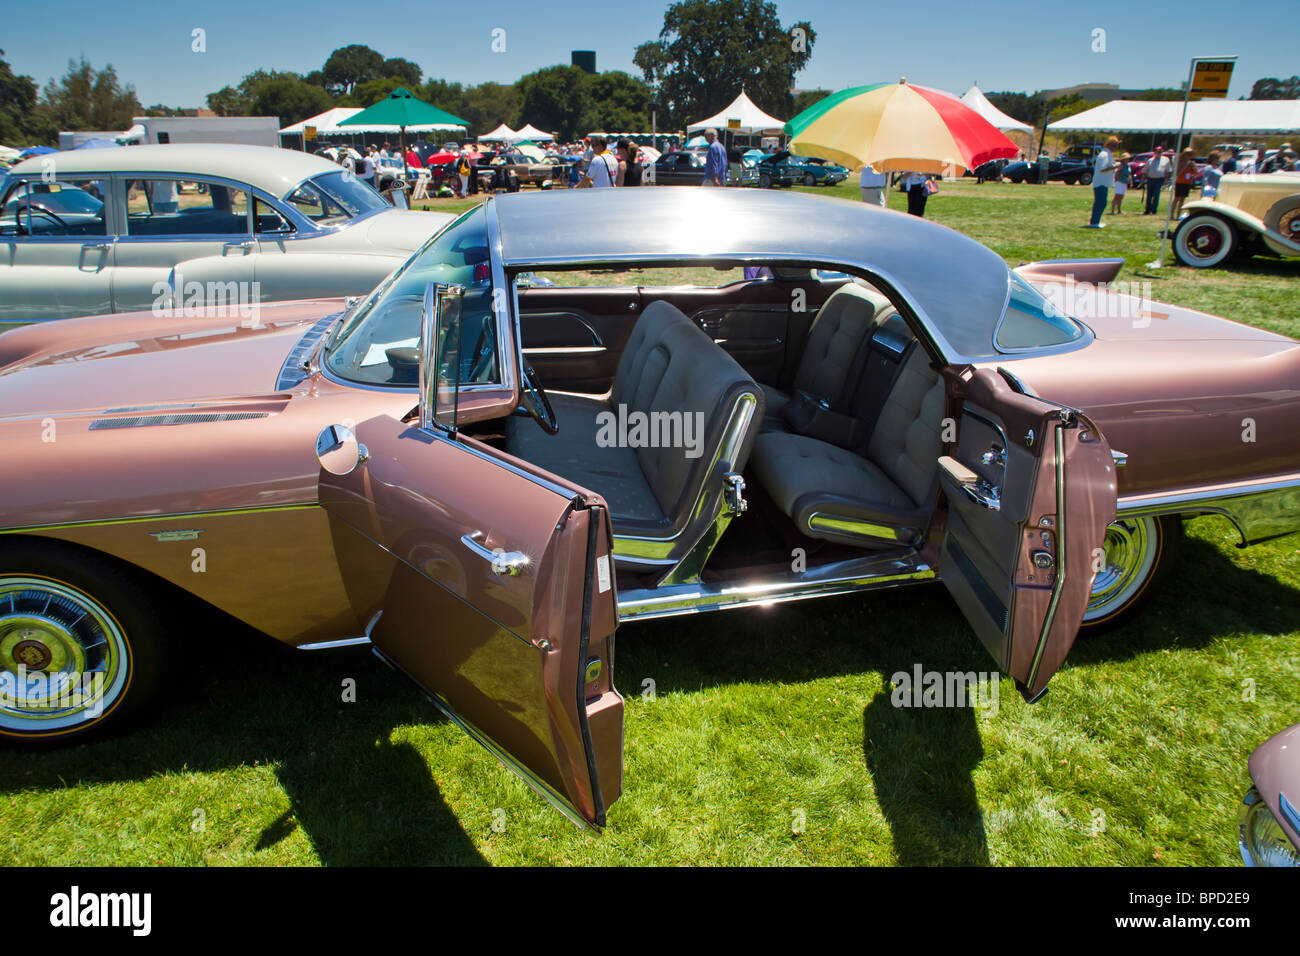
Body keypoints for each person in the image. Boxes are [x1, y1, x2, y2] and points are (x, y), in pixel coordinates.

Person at [1086, 136, 1119, 228]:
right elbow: (1102, 169)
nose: (1116, 148)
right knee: (1100, 202)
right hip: (1100, 182)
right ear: (1109, 145)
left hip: (1104, 182)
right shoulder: (1104, 154)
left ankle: (1096, 221)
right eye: (1114, 145)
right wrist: (1115, 167)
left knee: (1102, 202)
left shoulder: (1108, 154)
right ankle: (1094, 222)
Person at [1170, 147, 1196, 220]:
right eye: (1188, 155)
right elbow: (1177, 173)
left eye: (1190, 155)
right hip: (1180, 182)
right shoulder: (1180, 162)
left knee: (1182, 200)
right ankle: (1171, 215)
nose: (1189, 156)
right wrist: (1185, 166)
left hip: (1187, 183)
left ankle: (1178, 216)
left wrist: (1194, 166)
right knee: (1177, 198)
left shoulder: (1191, 163)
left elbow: (1195, 174)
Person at [1143, 146, 1169, 215]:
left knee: (1156, 195)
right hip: (1150, 179)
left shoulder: (1166, 160)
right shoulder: (1150, 160)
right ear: (1155, 152)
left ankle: (1154, 210)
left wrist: (1166, 180)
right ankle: (1147, 210)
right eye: (1157, 151)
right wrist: (1142, 180)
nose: (1159, 152)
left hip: (1159, 179)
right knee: (1149, 195)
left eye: (1160, 151)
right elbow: (1145, 171)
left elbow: (1167, 171)